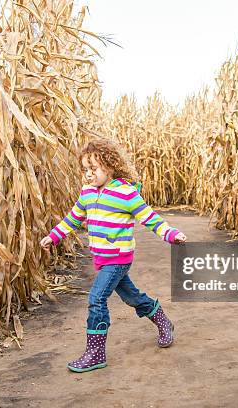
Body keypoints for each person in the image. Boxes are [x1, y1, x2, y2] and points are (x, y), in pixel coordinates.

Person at [40, 138, 187, 373]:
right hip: (101, 259)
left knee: (96, 299)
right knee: (132, 297)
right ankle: (162, 320)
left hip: (118, 258)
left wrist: (171, 234)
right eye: (85, 169)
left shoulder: (126, 194)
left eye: (94, 169)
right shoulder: (87, 193)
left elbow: (150, 218)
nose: (88, 174)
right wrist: (54, 236)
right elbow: (73, 218)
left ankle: (95, 353)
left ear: (109, 165)